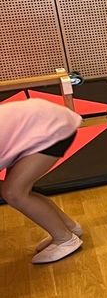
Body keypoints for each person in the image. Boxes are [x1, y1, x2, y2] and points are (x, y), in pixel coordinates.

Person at [0, 97, 83, 264]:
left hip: (49, 126)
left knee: (14, 192)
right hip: (39, 121)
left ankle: (65, 239)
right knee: (17, 190)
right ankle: (69, 228)